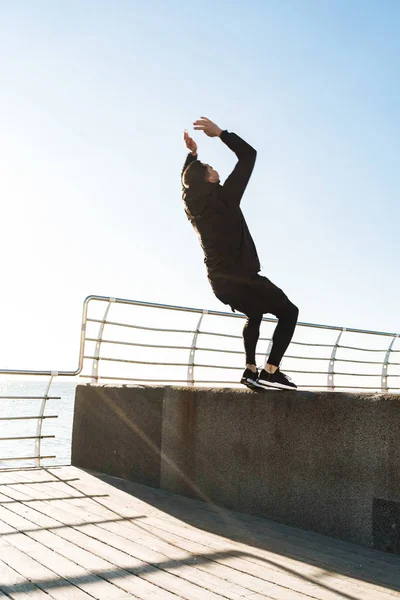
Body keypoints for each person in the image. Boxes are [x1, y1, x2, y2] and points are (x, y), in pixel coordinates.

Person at [181, 117, 298, 390]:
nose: (215, 168)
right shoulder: (225, 197)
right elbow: (249, 155)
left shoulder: (191, 203)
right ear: (210, 178)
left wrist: (192, 156)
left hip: (219, 283)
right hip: (242, 276)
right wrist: (221, 133)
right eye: (211, 168)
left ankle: (250, 370)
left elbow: (186, 181)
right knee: (290, 312)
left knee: (255, 313)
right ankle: (271, 370)